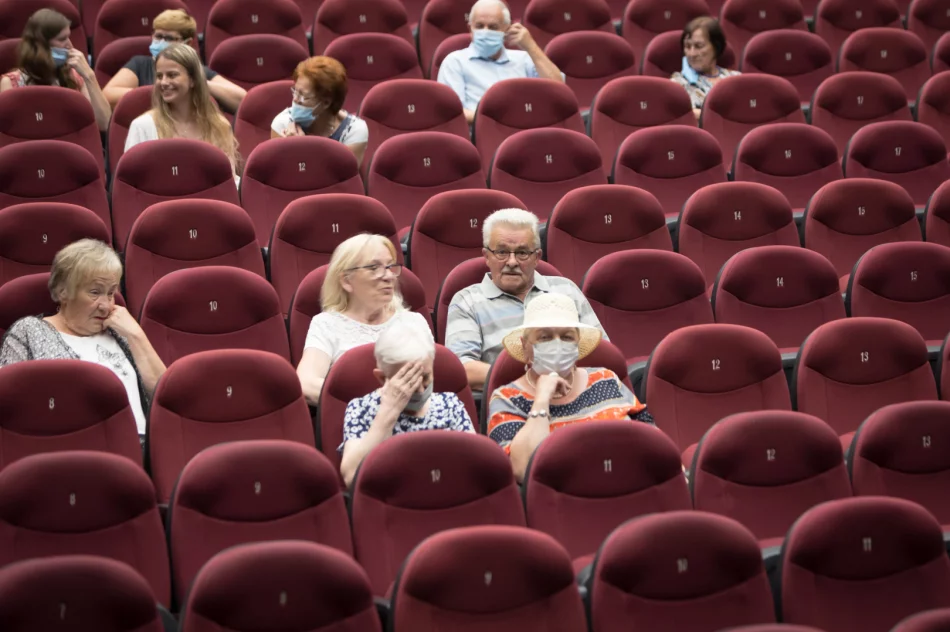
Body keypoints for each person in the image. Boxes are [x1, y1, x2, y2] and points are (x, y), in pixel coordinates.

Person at [0, 239, 166, 437]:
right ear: (63, 291)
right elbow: (9, 407)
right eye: (95, 292)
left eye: (111, 293)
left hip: (139, 446)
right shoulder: (29, 331)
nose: (106, 306)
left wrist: (136, 335)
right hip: (70, 444)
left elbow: (165, 398)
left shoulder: (120, 330)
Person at [487, 293, 651, 482]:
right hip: (563, 494)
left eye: (566, 337)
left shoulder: (605, 378)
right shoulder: (507, 399)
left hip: (627, 481)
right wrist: (541, 399)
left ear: (577, 344)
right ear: (525, 347)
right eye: (544, 337)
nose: (557, 344)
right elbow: (522, 469)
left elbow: (648, 431)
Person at [445, 208, 607, 391]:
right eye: (502, 252)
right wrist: (534, 380)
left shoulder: (566, 290)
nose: (512, 262)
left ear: (537, 257)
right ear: (487, 257)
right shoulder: (466, 302)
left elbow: (603, 352)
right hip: (509, 398)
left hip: (577, 393)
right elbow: (462, 369)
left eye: (522, 253)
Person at [339, 314, 475, 487]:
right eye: (408, 381)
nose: (420, 390)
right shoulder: (361, 409)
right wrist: (388, 413)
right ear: (382, 378)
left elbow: (475, 465)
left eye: (425, 377)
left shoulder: (450, 404)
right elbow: (351, 477)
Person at [296, 233, 430, 406]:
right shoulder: (327, 324)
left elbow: (436, 381)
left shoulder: (413, 322)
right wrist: (373, 402)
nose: (389, 276)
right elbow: (306, 383)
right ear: (346, 281)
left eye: (390, 267)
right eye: (374, 268)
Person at [437, 0, 564, 125]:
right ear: (470, 29)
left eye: (493, 27)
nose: (485, 32)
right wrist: (497, 120)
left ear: (507, 29)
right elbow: (454, 112)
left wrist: (531, 47)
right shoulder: (454, 62)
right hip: (481, 131)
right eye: (479, 26)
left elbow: (558, 89)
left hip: (526, 128)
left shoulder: (523, 59)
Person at [125, 43, 241, 178]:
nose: (163, 82)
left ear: (193, 80)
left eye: (172, 75)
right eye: (159, 76)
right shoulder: (142, 126)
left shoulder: (219, 125)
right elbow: (130, 182)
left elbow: (229, 181)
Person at [103, 9, 246, 113]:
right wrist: (166, 90)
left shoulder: (196, 70)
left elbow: (242, 100)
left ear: (187, 43)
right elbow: (108, 95)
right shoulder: (140, 64)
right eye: (158, 36)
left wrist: (199, 83)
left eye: (169, 38)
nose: (161, 42)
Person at [0, 8, 111, 132]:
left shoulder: (74, 76)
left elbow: (104, 123)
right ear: (40, 45)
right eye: (62, 39)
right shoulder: (10, 83)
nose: (70, 45)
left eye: (69, 37)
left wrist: (89, 75)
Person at [271, 56, 368, 165]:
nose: (295, 99)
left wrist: (302, 148)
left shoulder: (354, 131)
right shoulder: (283, 124)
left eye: (303, 96)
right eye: (295, 92)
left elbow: (342, 174)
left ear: (326, 102)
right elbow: (281, 173)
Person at [670, 17, 740, 119]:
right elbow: (684, 114)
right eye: (687, 46)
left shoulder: (736, 79)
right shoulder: (677, 84)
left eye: (699, 46)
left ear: (716, 47)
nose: (692, 54)